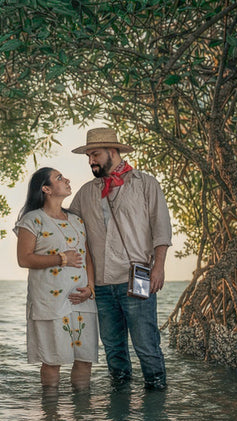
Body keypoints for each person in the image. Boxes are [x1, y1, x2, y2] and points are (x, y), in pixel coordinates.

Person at [68, 127, 172, 390]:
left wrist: (158, 267)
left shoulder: (146, 183)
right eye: (88, 156)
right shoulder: (85, 192)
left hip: (138, 276)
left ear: (112, 151)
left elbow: (161, 228)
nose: (91, 161)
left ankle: (157, 402)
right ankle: (119, 405)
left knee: (146, 345)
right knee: (113, 349)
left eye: (95, 154)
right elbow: (68, 228)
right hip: (101, 285)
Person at [15, 167, 99, 390]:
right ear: (46, 189)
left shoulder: (77, 220)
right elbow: (24, 259)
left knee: (85, 359)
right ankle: (50, 409)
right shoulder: (32, 220)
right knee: (53, 361)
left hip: (82, 299)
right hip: (50, 301)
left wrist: (91, 287)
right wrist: (61, 259)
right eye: (59, 178)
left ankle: (82, 408)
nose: (67, 179)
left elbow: (87, 257)